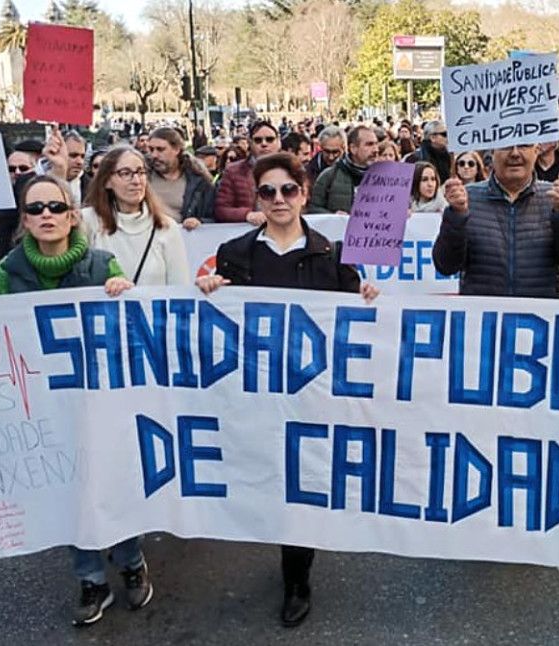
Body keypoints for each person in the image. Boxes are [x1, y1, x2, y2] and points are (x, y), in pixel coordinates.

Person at [0, 175, 151, 626]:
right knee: (70, 492)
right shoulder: (7, 270)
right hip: (43, 405)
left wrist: (125, 293)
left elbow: (134, 327)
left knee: (112, 485)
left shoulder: (103, 264)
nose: (46, 215)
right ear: (24, 220)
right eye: (36, 209)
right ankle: (90, 578)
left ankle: (130, 561)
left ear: (71, 216)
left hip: (102, 403)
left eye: (55, 207)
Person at [195, 152, 377, 628]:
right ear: (257, 198)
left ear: (303, 191)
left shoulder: (331, 253)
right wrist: (213, 291)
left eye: (288, 190)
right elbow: (219, 322)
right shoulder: (236, 253)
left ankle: (297, 576)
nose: (279, 200)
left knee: (303, 482)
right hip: (254, 393)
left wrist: (366, 298)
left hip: (311, 393)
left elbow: (354, 318)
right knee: (266, 476)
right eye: (268, 192)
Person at [434, 144, 559, 297]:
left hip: (540, 316)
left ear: (536, 151)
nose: (515, 153)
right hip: (483, 317)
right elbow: (446, 266)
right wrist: (456, 215)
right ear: (493, 152)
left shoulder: (556, 197)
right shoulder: (467, 198)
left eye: (523, 145)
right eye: (506, 146)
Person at [82, 147, 192, 286]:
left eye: (141, 172)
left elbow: (180, 288)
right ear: (107, 181)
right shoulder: (88, 221)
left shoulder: (167, 227)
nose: (136, 180)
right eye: (125, 173)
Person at [145, 127, 215, 228]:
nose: (154, 155)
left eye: (160, 149)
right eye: (151, 150)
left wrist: (198, 222)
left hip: (184, 238)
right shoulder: (141, 178)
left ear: (176, 149)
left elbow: (213, 217)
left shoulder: (199, 182)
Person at [215, 120, 281, 224]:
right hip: (247, 233)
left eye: (270, 139)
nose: (264, 144)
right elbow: (221, 210)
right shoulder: (233, 171)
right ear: (250, 143)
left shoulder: (291, 169)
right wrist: (247, 215)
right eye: (258, 140)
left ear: (278, 142)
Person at [308, 125, 378, 215]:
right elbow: (313, 209)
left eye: (376, 144)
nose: (375, 150)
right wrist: (334, 217)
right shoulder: (328, 176)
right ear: (353, 148)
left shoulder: (385, 178)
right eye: (369, 144)